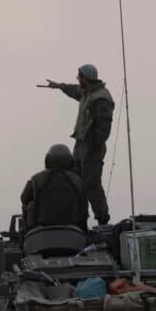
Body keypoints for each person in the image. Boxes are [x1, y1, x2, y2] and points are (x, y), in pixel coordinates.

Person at [38, 64, 114, 226]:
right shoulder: (87, 92)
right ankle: (81, 219)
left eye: (79, 77)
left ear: (85, 78)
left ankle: (102, 219)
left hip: (92, 148)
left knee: (91, 183)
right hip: (81, 145)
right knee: (77, 182)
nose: (77, 79)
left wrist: (93, 148)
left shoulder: (101, 98)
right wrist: (58, 86)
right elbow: (74, 90)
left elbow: (103, 129)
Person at [20, 144, 88, 231]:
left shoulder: (36, 179)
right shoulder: (77, 180)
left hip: (40, 231)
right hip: (73, 230)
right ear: (70, 161)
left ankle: (26, 231)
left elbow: (24, 199)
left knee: (28, 205)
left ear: (48, 160)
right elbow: (84, 207)